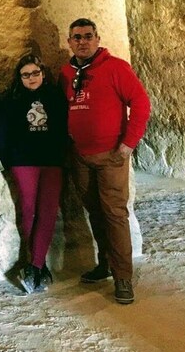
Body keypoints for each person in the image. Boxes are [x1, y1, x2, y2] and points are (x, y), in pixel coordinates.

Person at [58, 18, 150, 304]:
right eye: (77, 37)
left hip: (111, 155)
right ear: (69, 42)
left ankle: (123, 277)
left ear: (97, 39)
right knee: (95, 213)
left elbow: (141, 103)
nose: (82, 41)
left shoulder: (115, 68)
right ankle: (105, 263)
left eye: (88, 36)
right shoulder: (66, 72)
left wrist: (128, 144)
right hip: (81, 157)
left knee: (115, 215)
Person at [0, 54, 68, 294]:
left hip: (52, 161)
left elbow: (65, 126)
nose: (31, 78)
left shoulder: (55, 97)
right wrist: (7, 158)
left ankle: (35, 265)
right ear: (19, 77)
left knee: (48, 211)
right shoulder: (11, 100)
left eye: (35, 73)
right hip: (24, 161)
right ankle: (36, 264)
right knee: (28, 210)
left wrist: (64, 153)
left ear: (43, 73)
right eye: (26, 74)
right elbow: (0, 132)